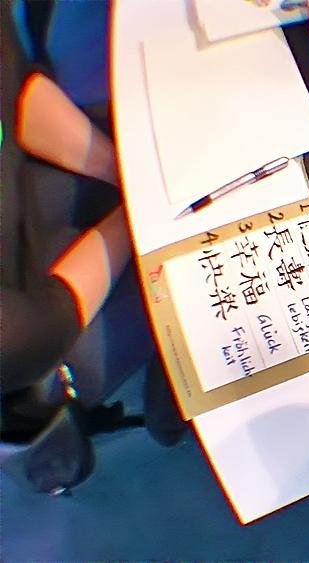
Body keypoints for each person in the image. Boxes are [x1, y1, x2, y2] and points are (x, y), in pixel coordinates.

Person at [1, 7, 185, 492]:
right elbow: (41, 326)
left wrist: (123, 171)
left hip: (23, 203)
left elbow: (11, 90)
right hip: (32, 338)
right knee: (192, 317)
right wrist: (148, 202)